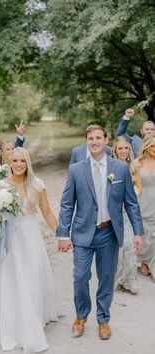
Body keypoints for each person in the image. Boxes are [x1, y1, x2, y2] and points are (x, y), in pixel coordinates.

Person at [57, 125, 143, 340]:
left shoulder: (120, 169)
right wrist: (63, 234)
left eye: (98, 138)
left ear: (106, 141)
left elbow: (131, 203)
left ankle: (103, 319)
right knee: (80, 276)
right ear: (87, 141)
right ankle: (81, 315)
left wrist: (138, 232)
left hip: (108, 233)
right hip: (83, 232)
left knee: (106, 278)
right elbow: (67, 204)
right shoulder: (76, 169)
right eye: (90, 138)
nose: (94, 142)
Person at [0, 147, 61, 353]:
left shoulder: (37, 185)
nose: (18, 164)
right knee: (14, 281)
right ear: (9, 162)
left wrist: (62, 235)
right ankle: (19, 323)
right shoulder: (1, 186)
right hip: (12, 241)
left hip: (31, 238)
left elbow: (48, 213)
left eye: (22, 161)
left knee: (32, 280)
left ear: (27, 163)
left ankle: (35, 317)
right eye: (14, 160)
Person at [111, 136, 141, 294]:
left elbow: (139, 187)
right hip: (115, 213)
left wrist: (134, 193)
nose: (124, 151)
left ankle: (131, 280)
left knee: (129, 246)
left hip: (129, 212)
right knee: (119, 248)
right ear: (115, 150)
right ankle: (120, 278)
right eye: (120, 148)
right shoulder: (110, 167)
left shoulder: (133, 166)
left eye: (126, 148)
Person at [134, 136, 155, 282]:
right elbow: (136, 186)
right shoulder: (137, 163)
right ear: (146, 146)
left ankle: (153, 267)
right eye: (153, 146)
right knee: (145, 234)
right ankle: (144, 261)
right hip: (143, 201)